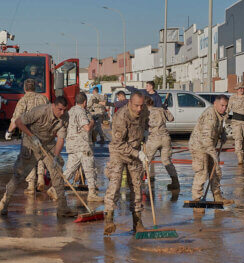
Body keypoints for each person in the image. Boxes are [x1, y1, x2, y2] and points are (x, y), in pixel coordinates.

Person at [0, 96, 76, 217]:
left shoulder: (65, 117)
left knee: (57, 174)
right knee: (19, 175)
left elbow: (61, 138)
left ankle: (62, 209)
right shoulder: (40, 111)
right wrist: (32, 136)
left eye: (64, 110)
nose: (62, 113)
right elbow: (18, 122)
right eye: (60, 109)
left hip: (48, 144)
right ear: (53, 106)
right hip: (31, 144)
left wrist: (56, 156)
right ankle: (4, 202)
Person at [104, 91, 149, 235]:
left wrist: (146, 133)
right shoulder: (121, 116)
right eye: (136, 106)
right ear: (130, 103)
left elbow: (146, 122)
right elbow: (119, 143)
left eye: (141, 106)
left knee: (136, 187)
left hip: (135, 151)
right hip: (119, 152)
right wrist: (138, 153)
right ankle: (109, 219)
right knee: (115, 184)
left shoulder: (144, 110)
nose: (139, 109)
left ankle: (137, 222)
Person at [189, 95, 233, 214]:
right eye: (222, 105)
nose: (224, 108)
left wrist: (222, 133)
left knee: (216, 171)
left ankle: (217, 196)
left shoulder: (220, 114)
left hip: (209, 146)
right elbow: (206, 139)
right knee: (202, 172)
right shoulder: (210, 115)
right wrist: (214, 156)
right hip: (199, 146)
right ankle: (197, 201)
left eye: (225, 106)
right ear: (215, 104)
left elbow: (219, 127)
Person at [5, 79, 49, 193]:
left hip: (29, 133)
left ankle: (31, 184)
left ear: (25, 88)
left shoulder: (23, 100)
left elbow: (16, 119)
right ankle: (40, 178)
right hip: (43, 132)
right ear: (35, 87)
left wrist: (9, 132)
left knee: (28, 157)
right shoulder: (43, 98)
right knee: (41, 154)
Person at [63, 92, 103, 202]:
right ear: (85, 102)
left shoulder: (71, 111)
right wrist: (92, 122)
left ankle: (55, 188)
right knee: (90, 168)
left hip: (72, 144)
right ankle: (92, 193)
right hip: (82, 144)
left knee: (70, 169)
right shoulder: (81, 112)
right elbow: (86, 127)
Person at [144, 97, 179, 189]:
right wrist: (165, 109)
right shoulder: (161, 109)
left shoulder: (146, 112)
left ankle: (137, 183)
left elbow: (144, 126)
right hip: (165, 138)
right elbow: (171, 118)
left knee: (146, 160)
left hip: (153, 138)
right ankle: (175, 182)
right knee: (167, 161)